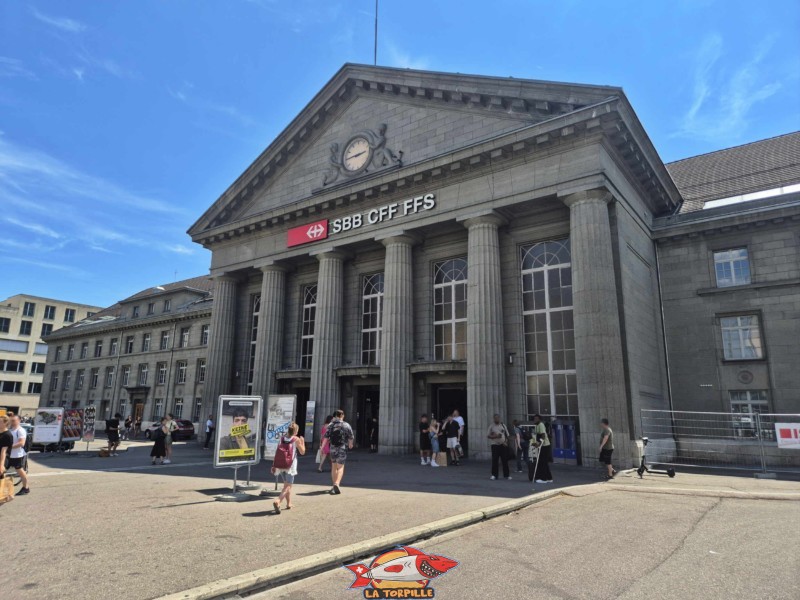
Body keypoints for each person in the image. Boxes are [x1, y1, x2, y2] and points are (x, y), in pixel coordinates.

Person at [271, 422, 306, 514]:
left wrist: (274, 465)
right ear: (296, 431)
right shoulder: (296, 439)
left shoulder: (282, 438)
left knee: (286, 485)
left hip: (280, 465)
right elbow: (302, 452)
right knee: (288, 487)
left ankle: (289, 503)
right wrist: (302, 442)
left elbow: (277, 452)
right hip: (290, 466)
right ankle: (278, 501)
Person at [324, 409, 354, 495]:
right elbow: (351, 436)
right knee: (340, 467)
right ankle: (337, 484)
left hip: (333, 448)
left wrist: (322, 447)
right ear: (342, 415)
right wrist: (350, 444)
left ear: (335, 416)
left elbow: (326, 436)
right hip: (342, 448)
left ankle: (334, 485)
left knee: (333, 467)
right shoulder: (346, 425)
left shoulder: (331, 424)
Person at [8, 415, 30, 494]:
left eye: (14, 420)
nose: (12, 422)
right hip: (9, 455)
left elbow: (21, 443)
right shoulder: (10, 429)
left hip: (17, 455)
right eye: (11, 420)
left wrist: (9, 447)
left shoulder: (20, 430)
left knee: (20, 471)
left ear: (19, 420)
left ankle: (26, 488)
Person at [487, 413, 511, 481]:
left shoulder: (503, 425)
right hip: (494, 445)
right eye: (495, 418)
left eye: (497, 418)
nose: (496, 419)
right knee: (495, 460)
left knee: (505, 460)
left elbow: (507, 435)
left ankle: (506, 475)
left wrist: (506, 442)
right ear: (493, 418)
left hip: (503, 445)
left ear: (499, 418)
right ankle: (494, 475)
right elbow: (488, 436)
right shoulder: (491, 426)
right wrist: (496, 436)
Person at [532, 414, 553, 483]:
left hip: (545, 446)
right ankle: (549, 478)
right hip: (542, 445)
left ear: (539, 419)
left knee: (542, 462)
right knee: (544, 462)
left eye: (536, 418)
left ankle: (543, 479)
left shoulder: (541, 425)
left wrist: (539, 444)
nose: (535, 420)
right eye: (534, 418)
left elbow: (543, 435)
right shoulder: (536, 426)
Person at [0, 415, 13, 491]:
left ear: (6, 423)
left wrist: (1, 465)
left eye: (0, 422)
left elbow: (3, 451)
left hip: (2, 459)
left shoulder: (7, 435)